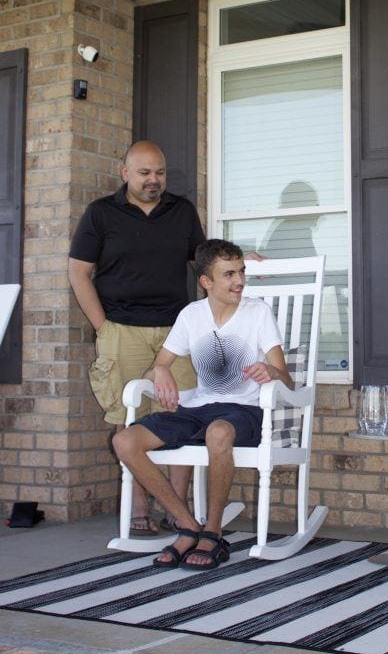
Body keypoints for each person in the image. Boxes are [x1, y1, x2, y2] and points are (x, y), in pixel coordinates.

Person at [111, 238, 293, 570]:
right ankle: (187, 525)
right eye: (228, 274)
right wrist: (161, 369)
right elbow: (159, 364)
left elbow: (287, 380)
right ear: (206, 282)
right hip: (198, 407)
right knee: (125, 441)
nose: (239, 281)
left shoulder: (258, 313)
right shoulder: (191, 315)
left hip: (244, 412)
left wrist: (270, 370)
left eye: (240, 272)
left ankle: (212, 531)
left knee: (218, 432)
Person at [68, 141, 205, 534]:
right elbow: (79, 272)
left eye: (159, 172)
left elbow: (203, 261)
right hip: (121, 328)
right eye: (144, 173)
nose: (153, 180)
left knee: (184, 416)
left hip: (175, 332)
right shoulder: (100, 214)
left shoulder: (181, 211)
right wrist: (103, 327)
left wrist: (243, 259)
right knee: (128, 418)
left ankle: (177, 511)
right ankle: (139, 509)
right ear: (125, 172)